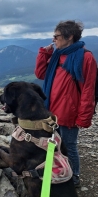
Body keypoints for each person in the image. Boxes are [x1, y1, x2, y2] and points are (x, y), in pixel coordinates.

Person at [35, 20, 97, 188]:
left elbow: (88, 90)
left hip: (69, 112)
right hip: (52, 110)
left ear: (69, 37)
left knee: (69, 145)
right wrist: (44, 54)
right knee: (53, 143)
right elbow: (41, 74)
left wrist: (84, 117)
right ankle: (58, 171)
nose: (53, 40)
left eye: (56, 36)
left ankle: (74, 177)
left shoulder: (86, 58)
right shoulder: (57, 55)